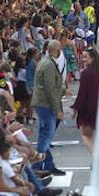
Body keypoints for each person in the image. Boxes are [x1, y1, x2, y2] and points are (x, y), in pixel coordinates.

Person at [31, 39, 66, 176]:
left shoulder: (45, 62)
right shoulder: (49, 65)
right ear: (57, 50)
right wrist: (57, 109)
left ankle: (49, 165)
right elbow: (50, 89)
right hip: (45, 104)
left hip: (42, 103)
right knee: (46, 137)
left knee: (44, 136)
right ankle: (37, 166)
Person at [71, 47, 99, 155]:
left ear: (92, 58)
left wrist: (75, 108)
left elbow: (82, 94)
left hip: (88, 110)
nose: (82, 59)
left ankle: (97, 158)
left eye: (85, 57)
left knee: (86, 136)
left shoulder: (86, 73)